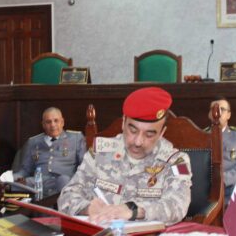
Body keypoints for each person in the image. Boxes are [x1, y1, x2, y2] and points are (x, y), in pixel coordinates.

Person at [58, 87, 192, 225]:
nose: (138, 142)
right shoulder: (100, 153)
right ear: (123, 123)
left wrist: (135, 211)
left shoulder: (176, 161)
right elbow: (67, 196)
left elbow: (177, 205)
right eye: (133, 130)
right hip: (102, 233)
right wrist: (87, 208)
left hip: (148, 235)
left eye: (149, 135)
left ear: (162, 133)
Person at [13, 107, 86, 196]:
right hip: (39, 183)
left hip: (63, 183)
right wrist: (10, 178)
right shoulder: (33, 142)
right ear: (43, 125)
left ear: (62, 122)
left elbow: (84, 167)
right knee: (13, 185)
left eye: (56, 121)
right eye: (48, 122)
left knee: (63, 180)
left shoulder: (76, 138)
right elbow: (25, 170)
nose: (52, 125)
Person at [206, 98, 236, 205]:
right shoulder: (201, 135)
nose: (217, 113)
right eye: (213, 109)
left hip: (231, 187)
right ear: (209, 114)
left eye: (222, 109)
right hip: (207, 187)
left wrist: (222, 179)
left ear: (228, 115)